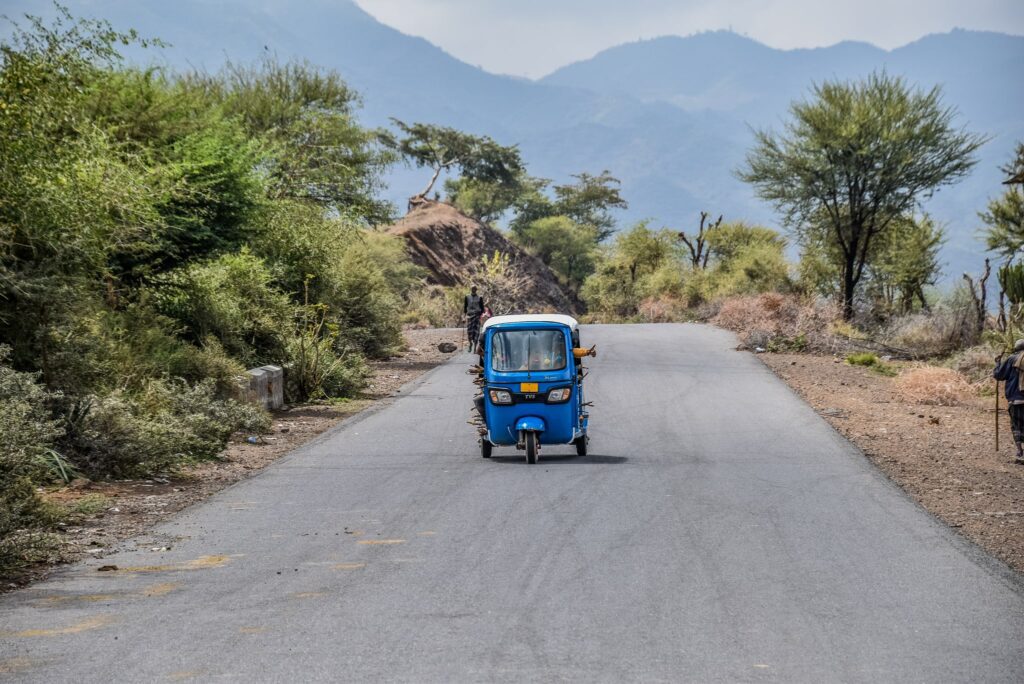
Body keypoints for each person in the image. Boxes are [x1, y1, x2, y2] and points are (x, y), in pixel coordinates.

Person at [993, 339, 1024, 463]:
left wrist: (997, 363)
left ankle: (1020, 452)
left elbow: (999, 375)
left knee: (1016, 426)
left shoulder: (1012, 359)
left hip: (1016, 401)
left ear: (1016, 349)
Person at [463, 286, 485, 350]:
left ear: (476, 290)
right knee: (469, 331)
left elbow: (482, 308)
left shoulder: (480, 297)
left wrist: (481, 314)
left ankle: (475, 347)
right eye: (472, 289)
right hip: (469, 316)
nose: (473, 290)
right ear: (471, 289)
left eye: (475, 289)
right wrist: (464, 317)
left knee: (476, 331)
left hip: (477, 316)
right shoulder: (467, 297)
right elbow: (465, 307)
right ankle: (470, 343)